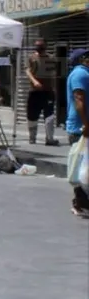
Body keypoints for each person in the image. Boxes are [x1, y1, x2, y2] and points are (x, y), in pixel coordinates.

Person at [65, 48, 88, 218]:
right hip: (81, 128)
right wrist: (86, 124)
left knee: (85, 166)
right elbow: (79, 101)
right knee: (82, 166)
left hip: (83, 126)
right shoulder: (80, 74)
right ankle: (79, 204)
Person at [25, 39, 60, 146]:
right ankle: (32, 138)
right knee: (32, 115)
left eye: (40, 46)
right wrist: (34, 81)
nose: (38, 48)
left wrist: (54, 89)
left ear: (45, 46)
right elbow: (27, 71)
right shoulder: (32, 58)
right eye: (36, 46)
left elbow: (54, 74)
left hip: (48, 91)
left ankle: (49, 139)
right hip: (34, 92)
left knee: (49, 115)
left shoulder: (51, 58)